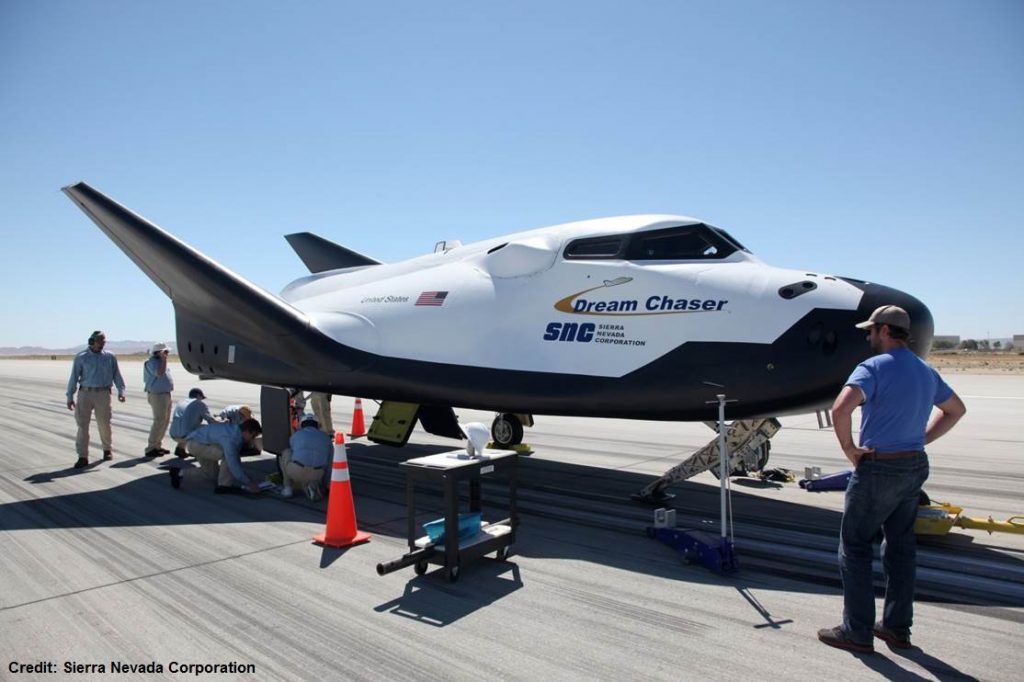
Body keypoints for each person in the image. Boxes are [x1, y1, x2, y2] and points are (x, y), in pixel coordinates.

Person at [818, 305, 966, 654]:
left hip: (878, 468)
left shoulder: (872, 367)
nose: (868, 336)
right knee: (900, 548)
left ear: (884, 330)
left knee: (854, 547)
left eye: (870, 330)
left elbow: (841, 408)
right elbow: (955, 410)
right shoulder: (926, 371)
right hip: (913, 466)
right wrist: (921, 440)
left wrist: (850, 449)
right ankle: (897, 629)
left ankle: (857, 631)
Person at [66, 330, 126, 468]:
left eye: (104, 342)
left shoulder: (110, 357)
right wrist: (70, 396)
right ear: (91, 341)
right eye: (99, 342)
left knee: (104, 423)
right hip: (85, 394)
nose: (102, 345)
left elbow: (116, 374)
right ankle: (82, 456)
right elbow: (74, 378)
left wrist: (121, 391)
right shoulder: (81, 357)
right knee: (82, 426)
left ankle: (107, 450)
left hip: (103, 394)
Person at [184, 418, 264, 493]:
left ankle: (179, 473)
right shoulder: (231, 439)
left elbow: (236, 460)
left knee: (211, 474)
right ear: (246, 431)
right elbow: (233, 464)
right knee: (227, 456)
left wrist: (247, 477)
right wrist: (249, 483)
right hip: (196, 444)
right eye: (253, 436)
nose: (253, 439)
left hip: (199, 441)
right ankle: (224, 485)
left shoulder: (235, 431)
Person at [279, 414, 332, 500]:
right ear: (318, 425)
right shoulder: (326, 438)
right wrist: (325, 485)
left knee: (286, 452)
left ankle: (288, 488)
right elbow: (330, 463)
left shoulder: (296, 435)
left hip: (297, 471)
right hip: (317, 474)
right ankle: (312, 485)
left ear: (301, 425)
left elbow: (294, 454)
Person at [143, 342, 174, 458]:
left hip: (165, 394)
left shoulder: (161, 362)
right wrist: (163, 359)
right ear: (158, 353)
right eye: (165, 352)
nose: (167, 354)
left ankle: (157, 445)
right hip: (157, 395)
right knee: (159, 420)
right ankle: (151, 447)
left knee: (164, 421)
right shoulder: (151, 363)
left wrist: (163, 360)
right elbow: (159, 373)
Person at [168, 388, 216, 457]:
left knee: (187, 424)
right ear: (198, 395)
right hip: (185, 436)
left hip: (173, 434)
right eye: (201, 398)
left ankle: (180, 448)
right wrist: (221, 420)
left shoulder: (181, 402)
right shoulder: (199, 403)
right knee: (208, 428)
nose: (201, 400)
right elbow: (211, 421)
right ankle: (196, 451)